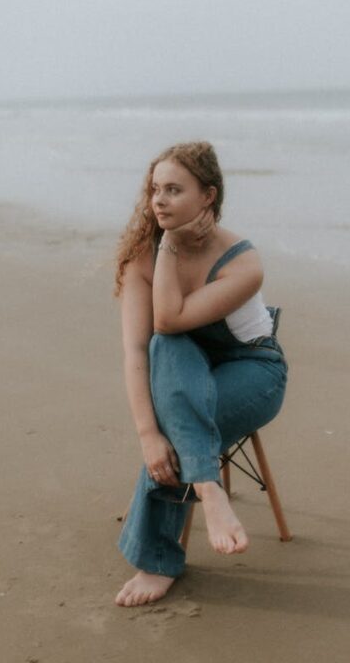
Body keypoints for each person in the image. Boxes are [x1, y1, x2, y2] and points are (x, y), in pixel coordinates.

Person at [114, 140, 288, 607]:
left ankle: (157, 560)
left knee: (178, 406)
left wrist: (170, 245)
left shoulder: (243, 261)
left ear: (207, 196)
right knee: (164, 348)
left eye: (174, 189)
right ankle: (209, 488)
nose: (159, 200)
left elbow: (169, 316)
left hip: (252, 371)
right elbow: (138, 350)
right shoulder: (141, 257)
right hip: (180, 371)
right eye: (155, 190)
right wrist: (147, 434)